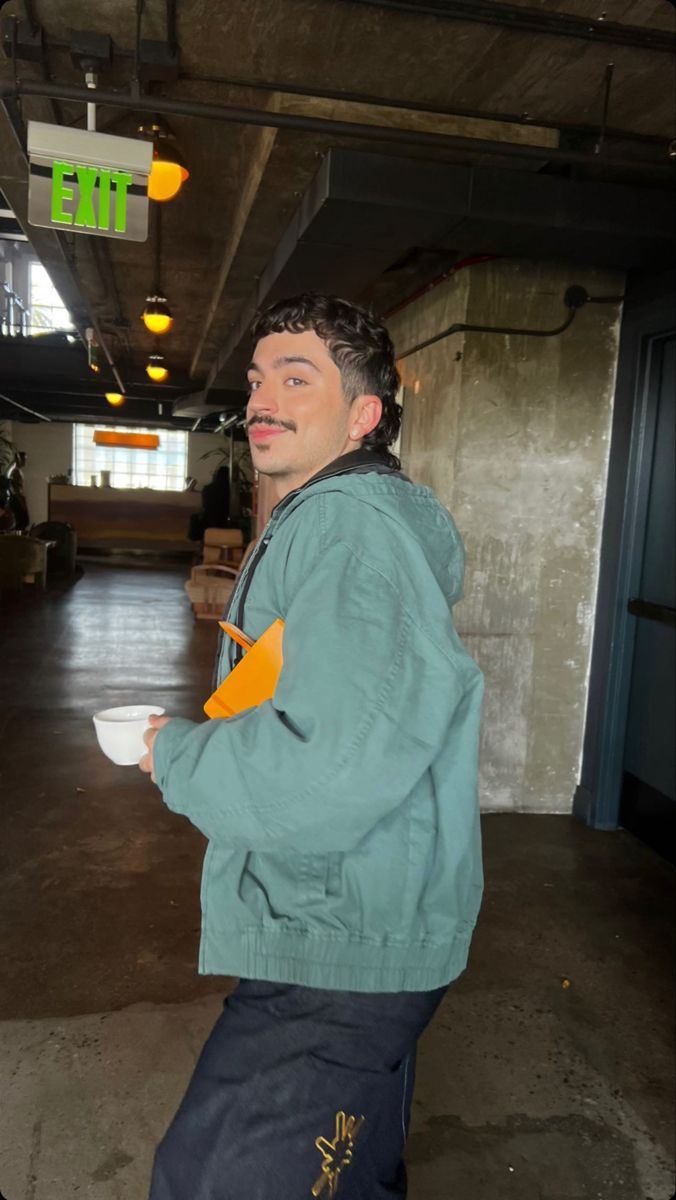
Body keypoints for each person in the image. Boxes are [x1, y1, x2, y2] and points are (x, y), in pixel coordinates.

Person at [140, 294, 484, 1200]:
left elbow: (334, 764)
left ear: (363, 416)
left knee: (211, 1181)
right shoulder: (329, 518)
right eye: (258, 380)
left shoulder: (347, 527)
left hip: (339, 936)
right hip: (354, 914)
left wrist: (174, 755)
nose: (262, 398)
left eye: (298, 379)